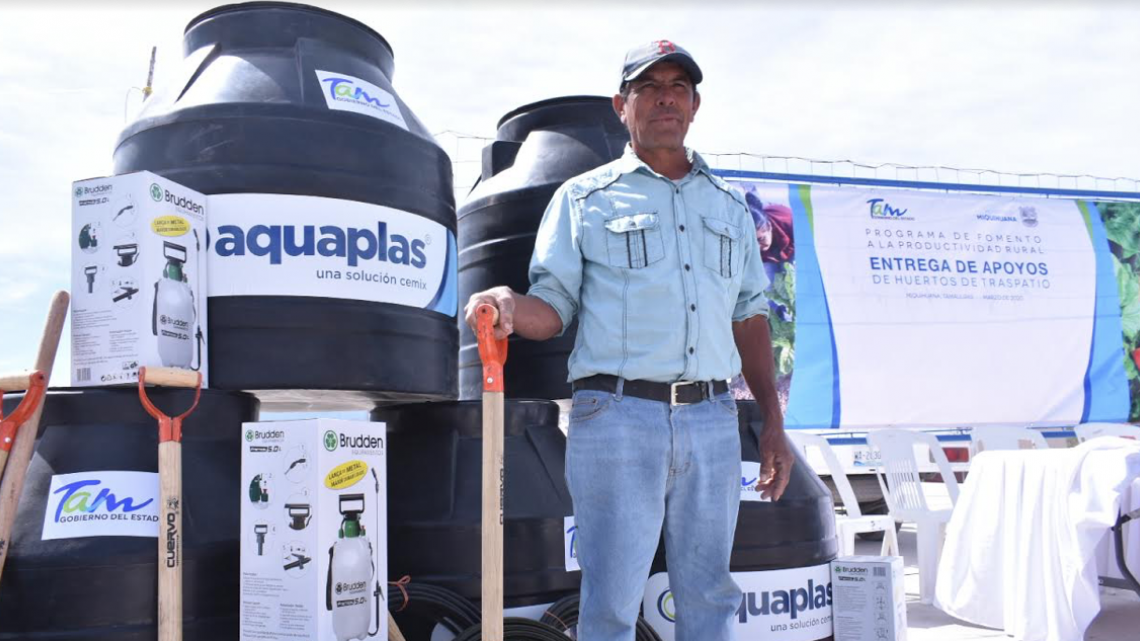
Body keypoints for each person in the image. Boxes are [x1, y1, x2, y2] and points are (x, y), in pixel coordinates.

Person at [464, 40, 792, 641]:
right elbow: (554, 308)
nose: (665, 97)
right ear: (622, 105)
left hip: (713, 420)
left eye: (677, 87)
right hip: (615, 418)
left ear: (694, 105)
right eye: (648, 87)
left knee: (710, 595)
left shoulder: (728, 207)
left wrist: (772, 421)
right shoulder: (583, 199)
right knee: (612, 604)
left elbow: (749, 317)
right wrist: (511, 306)